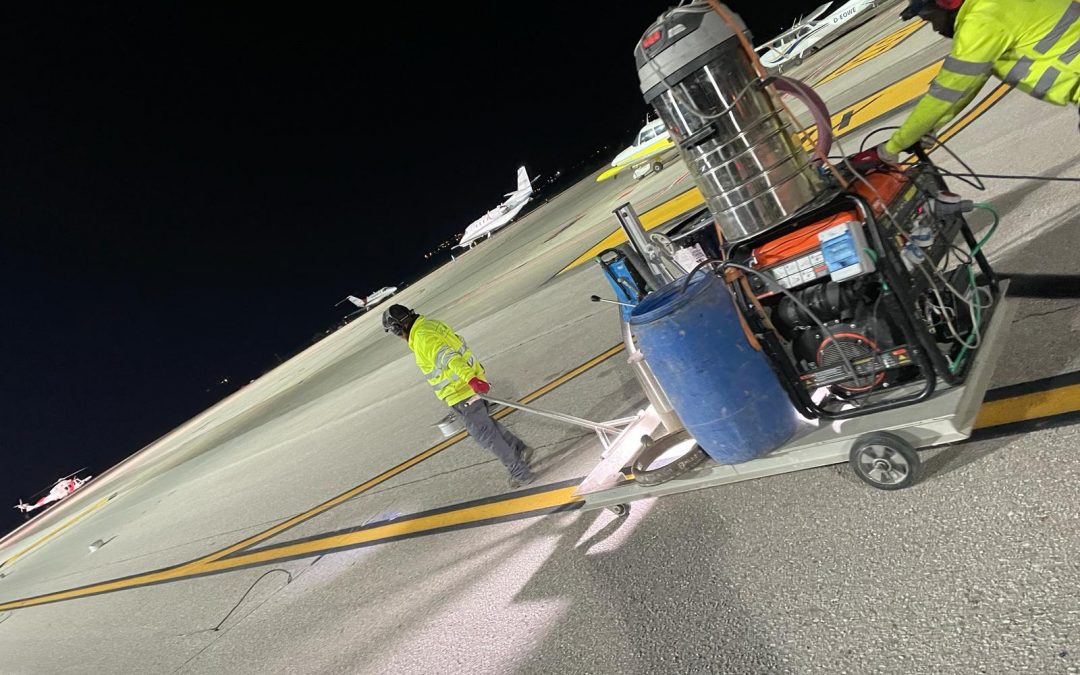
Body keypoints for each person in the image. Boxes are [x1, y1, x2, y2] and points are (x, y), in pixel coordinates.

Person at [855, 0, 1080, 165]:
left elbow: (948, 91)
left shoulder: (982, 20)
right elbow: (969, 86)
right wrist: (932, 127)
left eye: (931, 18)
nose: (935, 28)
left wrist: (892, 147)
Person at [382, 304, 536, 488]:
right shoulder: (429, 325)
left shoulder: (422, 337)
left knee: (485, 435)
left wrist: (470, 379)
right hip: (467, 386)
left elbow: (449, 358)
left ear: (398, 327)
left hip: (462, 392)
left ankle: (519, 472)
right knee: (487, 427)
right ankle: (519, 450)